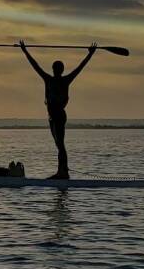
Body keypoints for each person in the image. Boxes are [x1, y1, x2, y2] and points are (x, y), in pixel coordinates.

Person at [19, 40, 97, 179]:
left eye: (58, 69)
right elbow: (35, 66)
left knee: (60, 143)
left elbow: (80, 68)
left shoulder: (65, 80)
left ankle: (63, 172)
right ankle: (62, 171)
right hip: (51, 117)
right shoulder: (47, 79)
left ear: (61, 70)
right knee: (58, 144)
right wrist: (24, 51)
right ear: (53, 69)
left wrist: (90, 55)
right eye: (55, 68)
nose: (56, 70)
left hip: (59, 116)